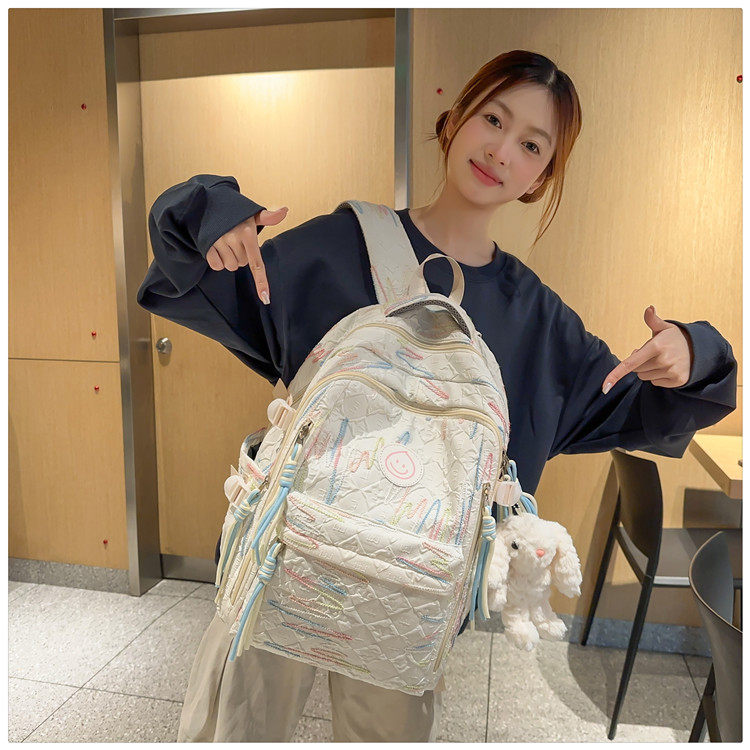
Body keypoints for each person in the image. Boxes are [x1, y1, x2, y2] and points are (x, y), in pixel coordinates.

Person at [137, 50, 737, 742]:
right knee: (235, 730)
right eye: (493, 119)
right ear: (453, 119)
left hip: (410, 596)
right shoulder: (338, 246)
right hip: (285, 556)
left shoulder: (537, 322)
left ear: (542, 178)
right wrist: (214, 218)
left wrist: (696, 352)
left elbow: (643, 408)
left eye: (532, 145)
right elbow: (192, 273)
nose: (502, 150)